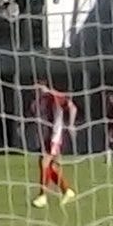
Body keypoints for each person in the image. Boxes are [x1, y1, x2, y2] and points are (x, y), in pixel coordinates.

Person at [29, 79, 79, 207]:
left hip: (55, 137)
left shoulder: (54, 96)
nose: (34, 90)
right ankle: (67, 190)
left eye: (37, 87)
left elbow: (72, 107)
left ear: (43, 86)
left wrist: (71, 125)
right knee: (50, 167)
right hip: (47, 137)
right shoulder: (38, 101)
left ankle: (42, 196)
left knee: (44, 162)